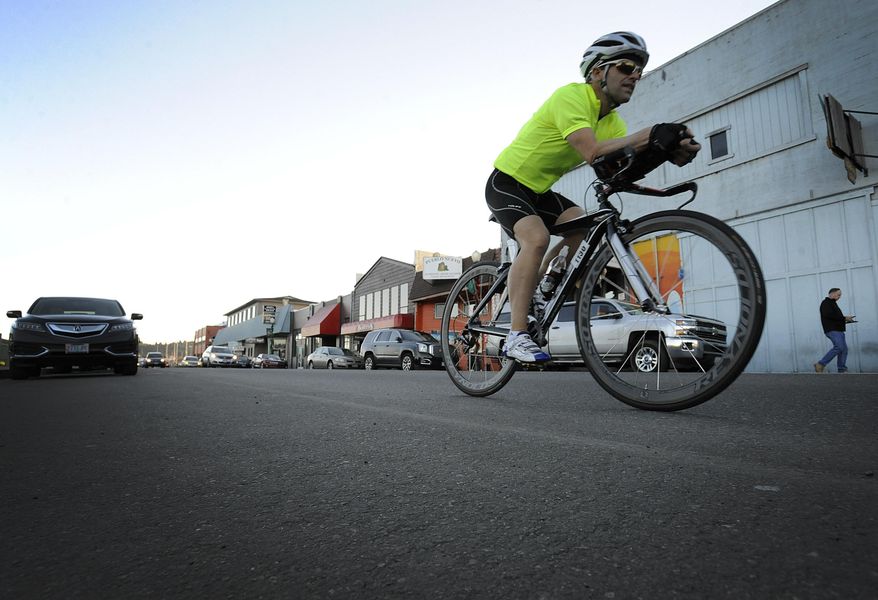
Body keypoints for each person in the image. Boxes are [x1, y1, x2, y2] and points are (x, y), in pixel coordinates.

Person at [486, 32, 702, 363]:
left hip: (540, 191)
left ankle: (543, 285)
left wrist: (664, 150)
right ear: (598, 72)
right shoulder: (572, 97)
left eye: (639, 72)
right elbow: (592, 152)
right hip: (508, 181)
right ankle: (516, 336)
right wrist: (652, 133)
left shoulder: (612, 121)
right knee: (537, 237)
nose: (634, 76)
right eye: (626, 66)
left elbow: (615, 167)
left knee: (582, 228)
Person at [815, 288, 855, 373]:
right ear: (832, 294)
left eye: (840, 295)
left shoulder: (832, 303)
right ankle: (820, 364)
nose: (840, 296)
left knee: (844, 349)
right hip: (832, 330)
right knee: (839, 347)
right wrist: (844, 318)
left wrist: (845, 320)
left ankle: (842, 369)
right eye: (838, 294)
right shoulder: (826, 303)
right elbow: (828, 315)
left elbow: (834, 317)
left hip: (838, 330)